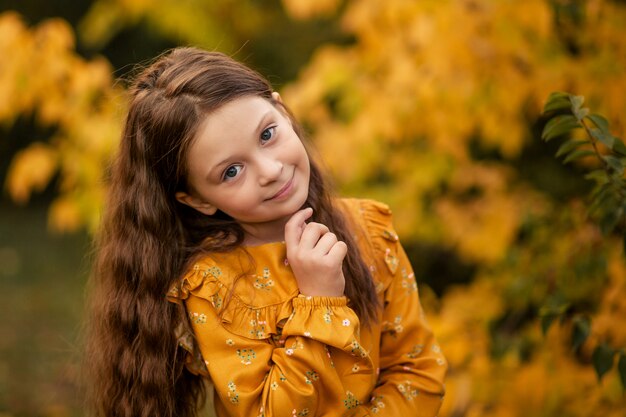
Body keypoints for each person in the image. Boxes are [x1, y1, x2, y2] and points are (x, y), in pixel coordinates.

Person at [85, 46, 446, 417]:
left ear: (283, 111)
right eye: (231, 171)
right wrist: (318, 302)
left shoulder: (368, 232)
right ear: (197, 200)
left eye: (267, 134)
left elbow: (416, 368)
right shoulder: (215, 288)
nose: (270, 170)